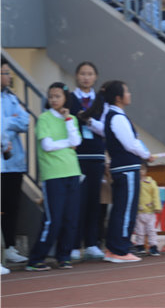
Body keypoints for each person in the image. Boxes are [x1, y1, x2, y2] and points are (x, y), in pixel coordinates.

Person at [91, 81, 154, 263]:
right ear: (118, 98)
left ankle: (113, 248)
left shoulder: (112, 116)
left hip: (122, 169)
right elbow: (130, 143)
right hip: (127, 169)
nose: (129, 94)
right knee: (126, 210)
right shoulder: (117, 117)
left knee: (120, 208)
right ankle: (120, 249)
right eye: (126, 91)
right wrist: (146, 155)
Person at [26, 83, 82, 271]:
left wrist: (67, 120)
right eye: (51, 96)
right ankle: (36, 259)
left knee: (71, 219)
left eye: (57, 96)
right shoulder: (44, 118)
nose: (53, 100)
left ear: (65, 98)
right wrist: (67, 143)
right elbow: (47, 146)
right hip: (53, 175)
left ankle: (64, 256)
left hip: (73, 172)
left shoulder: (71, 119)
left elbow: (76, 141)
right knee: (53, 219)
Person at [69, 62, 106, 261]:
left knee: (94, 201)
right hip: (76, 156)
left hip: (96, 154)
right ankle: (74, 244)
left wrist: (88, 120)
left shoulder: (101, 100)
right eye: (82, 73)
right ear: (76, 76)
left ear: (95, 77)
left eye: (90, 74)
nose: (86, 77)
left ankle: (92, 243)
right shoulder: (69, 98)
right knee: (77, 201)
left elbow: (105, 128)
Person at [1, 58, 30, 264]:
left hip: (14, 162)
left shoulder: (11, 98)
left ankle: (10, 247)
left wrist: (6, 122)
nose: (9, 76)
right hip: (2, 162)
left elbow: (25, 121)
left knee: (12, 206)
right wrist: (10, 122)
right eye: (5, 72)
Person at [133, 161, 162, 257]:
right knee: (139, 231)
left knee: (151, 230)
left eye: (142, 169)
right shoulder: (135, 182)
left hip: (150, 212)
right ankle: (140, 246)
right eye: (139, 169)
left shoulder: (151, 183)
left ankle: (153, 246)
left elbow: (155, 196)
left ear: (146, 170)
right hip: (138, 212)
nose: (140, 171)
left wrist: (157, 206)